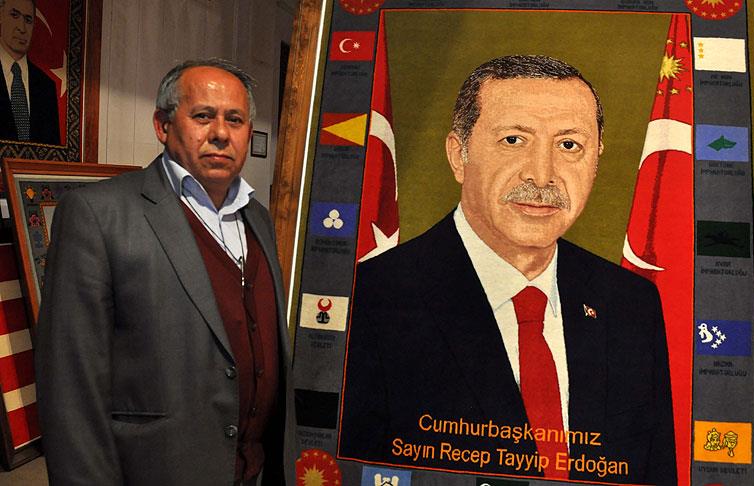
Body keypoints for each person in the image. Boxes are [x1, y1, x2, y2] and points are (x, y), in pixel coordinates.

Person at [339, 55, 675, 484]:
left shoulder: (630, 303)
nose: (542, 175)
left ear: (596, 161)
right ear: (458, 156)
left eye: (569, 146)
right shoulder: (373, 298)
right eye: (514, 140)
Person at [36, 59, 295, 485]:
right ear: (162, 125)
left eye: (235, 119)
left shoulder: (259, 219)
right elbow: (70, 388)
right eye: (203, 116)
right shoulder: (98, 215)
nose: (220, 133)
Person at [0, 0, 60, 144]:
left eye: (28, 20)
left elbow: (52, 151)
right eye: (14, 15)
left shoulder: (46, 87)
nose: (22, 28)